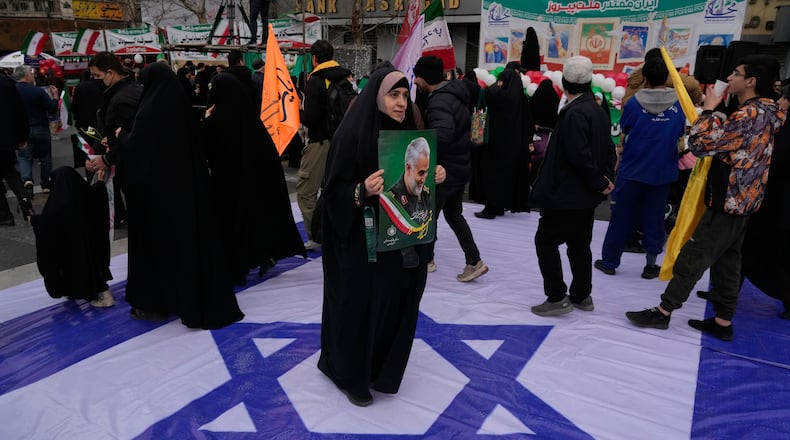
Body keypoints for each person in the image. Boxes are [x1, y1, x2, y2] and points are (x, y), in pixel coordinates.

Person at [625, 55, 785, 341]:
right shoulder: (770, 109)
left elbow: (700, 145)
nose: (730, 78)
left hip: (729, 199)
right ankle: (723, 321)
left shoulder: (748, 115)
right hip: (747, 199)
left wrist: (709, 110)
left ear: (751, 81)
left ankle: (663, 311)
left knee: (693, 256)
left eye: (736, 73)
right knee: (728, 262)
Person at [318, 68, 445, 407]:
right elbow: (332, 194)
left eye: (405, 96)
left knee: (392, 306)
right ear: (376, 95)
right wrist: (360, 191)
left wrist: (434, 175)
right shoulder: (353, 135)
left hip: (399, 246)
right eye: (394, 95)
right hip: (362, 245)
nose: (402, 103)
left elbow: (418, 189)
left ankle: (381, 370)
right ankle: (349, 374)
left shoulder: (408, 136)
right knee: (359, 307)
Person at [112, 62, 244, 329]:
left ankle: (158, 302)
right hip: (187, 193)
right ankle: (186, 298)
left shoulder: (149, 112)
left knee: (158, 248)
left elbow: (138, 149)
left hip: (157, 198)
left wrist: (121, 137)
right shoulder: (180, 108)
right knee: (186, 247)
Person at [529, 56, 616, 316]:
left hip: (567, 194)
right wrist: (606, 179)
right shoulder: (597, 109)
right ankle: (581, 295)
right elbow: (609, 148)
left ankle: (557, 296)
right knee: (579, 244)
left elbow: (579, 157)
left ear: (564, 83)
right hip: (585, 196)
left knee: (546, 241)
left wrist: (601, 182)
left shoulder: (575, 113)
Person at [203, 73, 305, 285]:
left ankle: (239, 267)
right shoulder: (251, 120)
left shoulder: (216, 122)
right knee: (253, 222)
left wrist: (206, 119)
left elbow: (205, 149)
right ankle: (261, 256)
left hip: (226, 186)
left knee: (232, 227)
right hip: (254, 185)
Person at [594, 60, 686, 279]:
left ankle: (609, 262)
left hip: (633, 169)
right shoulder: (679, 104)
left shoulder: (634, 103)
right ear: (666, 79)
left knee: (621, 217)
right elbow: (680, 132)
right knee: (655, 218)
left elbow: (625, 128)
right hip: (662, 171)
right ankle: (651, 265)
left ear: (645, 79)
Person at [412, 55, 488, 281]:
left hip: (445, 172)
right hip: (461, 167)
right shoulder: (456, 94)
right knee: (454, 215)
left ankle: (427, 259)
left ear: (425, 77)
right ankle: (474, 260)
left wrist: (428, 158)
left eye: (417, 76)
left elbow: (442, 135)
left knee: (428, 216)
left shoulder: (439, 101)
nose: (415, 81)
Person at [31, 167, 113, 307]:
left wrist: (34, 220)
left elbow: (47, 226)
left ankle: (74, 290)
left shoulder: (56, 206)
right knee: (94, 268)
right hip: (92, 248)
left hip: (72, 253)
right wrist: (100, 181)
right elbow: (98, 196)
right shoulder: (86, 195)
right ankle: (104, 295)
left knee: (70, 266)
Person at [299, 39, 352, 250]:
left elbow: (310, 119)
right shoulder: (345, 77)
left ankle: (316, 235)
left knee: (306, 190)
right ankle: (336, 231)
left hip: (320, 142)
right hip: (343, 142)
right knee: (334, 189)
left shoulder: (316, 79)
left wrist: (296, 110)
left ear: (314, 58)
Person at [84, 52, 143, 229]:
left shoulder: (121, 99)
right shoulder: (131, 89)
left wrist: (107, 159)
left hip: (134, 169)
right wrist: (110, 140)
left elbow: (133, 137)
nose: (94, 80)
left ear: (110, 73)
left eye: (97, 76)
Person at [475, 67, 533, 219]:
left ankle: (492, 207)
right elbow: (529, 123)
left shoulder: (498, 96)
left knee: (492, 175)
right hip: (515, 147)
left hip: (495, 144)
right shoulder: (522, 100)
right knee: (507, 177)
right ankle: (500, 205)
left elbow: (488, 92)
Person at [13, 64, 59, 196]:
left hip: (22, 129)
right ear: (27, 76)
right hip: (40, 127)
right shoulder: (38, 91)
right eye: (32, 74)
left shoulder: (12, 91)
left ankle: (27, 180)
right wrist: (55, 96)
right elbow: (51, 108)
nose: (33, 77)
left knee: (24, 157)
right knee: (45, 157)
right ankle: (46, 184)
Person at [0, 69, 33, 226]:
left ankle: (4, 214)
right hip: (6, 138)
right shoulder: (6, 82)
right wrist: (22, 136)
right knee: (10, 171)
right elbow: (19, 111)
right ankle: (25, 200)